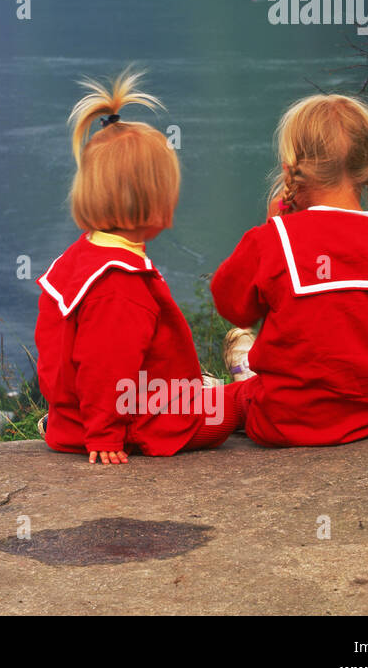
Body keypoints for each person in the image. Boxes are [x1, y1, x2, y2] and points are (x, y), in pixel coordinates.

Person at [34, 70, 243, 465]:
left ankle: (203, 387)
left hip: (76, 420)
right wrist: (105, 435)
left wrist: (79, 422)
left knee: (197, 391)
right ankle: (244, 378)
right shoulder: (120, 285)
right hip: (142, 424)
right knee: (241, 404)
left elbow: (68, 358)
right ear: (155, 202)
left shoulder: (81, 259)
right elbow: (104, 367)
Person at [209, 93, 368, 446]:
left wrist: (270, 230)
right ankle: (247, 370)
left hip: (285, 421)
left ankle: (243, 375)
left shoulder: (275, 237)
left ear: (290, 170)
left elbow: (232, 306)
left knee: (225, 401)